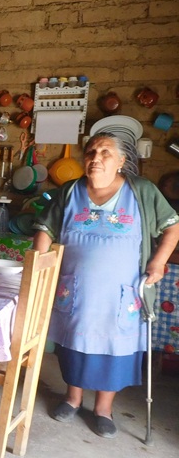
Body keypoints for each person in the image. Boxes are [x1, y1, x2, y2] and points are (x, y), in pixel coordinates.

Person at [33, 131, 179, 438]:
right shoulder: (71, 190)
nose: (96, 158)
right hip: (77, 289)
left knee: (116, 349)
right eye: (91, 152)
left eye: (105, 153)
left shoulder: (142, 191)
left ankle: (103, 409)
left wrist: (158, 261)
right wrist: (39, 258)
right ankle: (72, 398)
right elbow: (45, 227)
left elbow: (172, 228)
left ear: (122, 161)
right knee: (74, 344)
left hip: (122, 291)